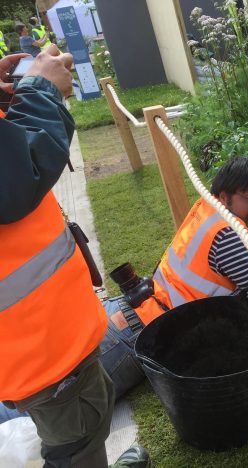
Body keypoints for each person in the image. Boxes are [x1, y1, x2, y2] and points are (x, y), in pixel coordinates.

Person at [0, 46, 149, 467]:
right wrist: (41, 89)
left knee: (87, 421)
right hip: (38, 347)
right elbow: (13, 182)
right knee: (75, 445)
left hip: (42, 337)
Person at [101, 156, 248, 398]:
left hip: (127, 311)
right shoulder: (227, 236)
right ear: (224, 196)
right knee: (74, 413)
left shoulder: (207, 209)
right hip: (131, 338)